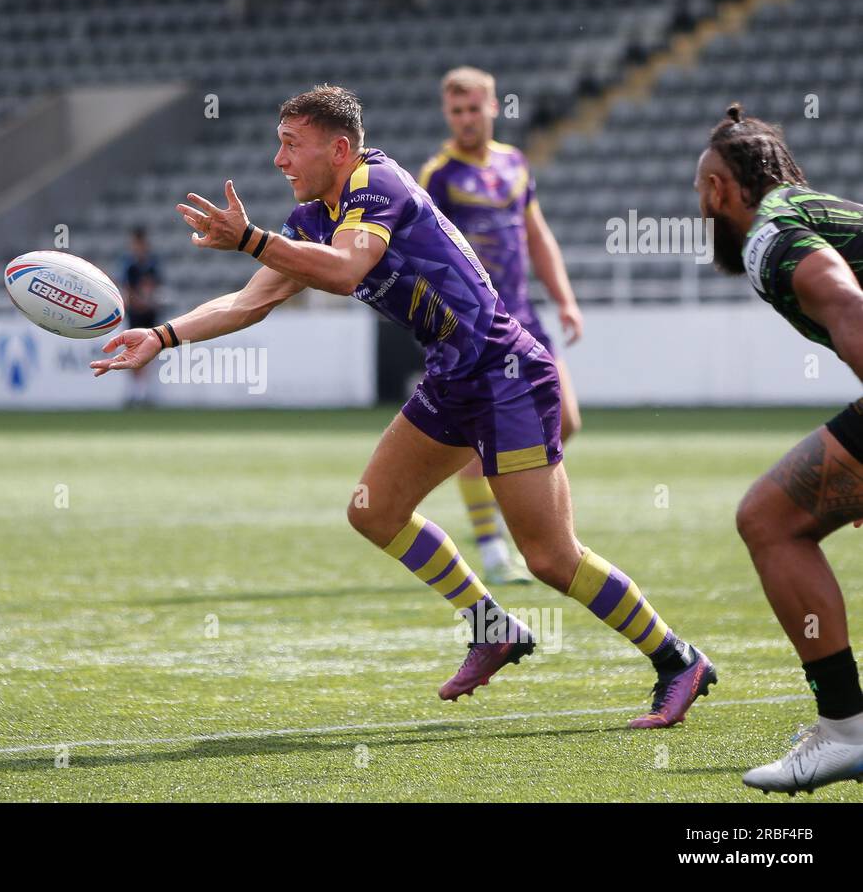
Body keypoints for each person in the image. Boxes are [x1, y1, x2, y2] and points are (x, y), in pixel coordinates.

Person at [93, 84, 714, 725]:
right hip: (452, 377)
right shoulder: (310, 220)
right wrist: (162, 336)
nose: (279, 160)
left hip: (506, 376)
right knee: (374, 510)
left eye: (290, 145)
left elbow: (344, 271)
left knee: (551, 559)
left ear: (338, 149)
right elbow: (248, 301)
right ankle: (492, 626)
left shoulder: (377, 182)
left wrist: (251, 238)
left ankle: (677, 658)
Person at [698, 103, 863, 794]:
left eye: (702, 188)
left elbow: (848, 304)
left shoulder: (769, 233)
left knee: (770, 519)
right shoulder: (811, 205)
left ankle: (846, 732)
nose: (701, 205)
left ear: (719, 191)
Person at [419, 67, 583, 585]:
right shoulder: (439, 175)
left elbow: (537, 234)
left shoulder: (515, 164)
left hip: (525, 314)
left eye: (474, 108)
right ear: (448, 115)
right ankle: (491, 543)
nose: (466, 119)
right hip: (474, 326)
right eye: (456, 111)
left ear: (494, 107)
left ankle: (517, 519)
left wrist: (565, 299)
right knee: (478, 436)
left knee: (567, 420)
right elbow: (425, 253)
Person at [122, 227, 162, 406]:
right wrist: (138, 301)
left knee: (148, 350)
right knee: (133, 351)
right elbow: (127, 289)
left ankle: (144, 392)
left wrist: (146, 301)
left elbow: (154, 287)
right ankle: (136, 392)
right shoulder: (129, 265)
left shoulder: (152, 264)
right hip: (135, 312)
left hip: (148, 312)